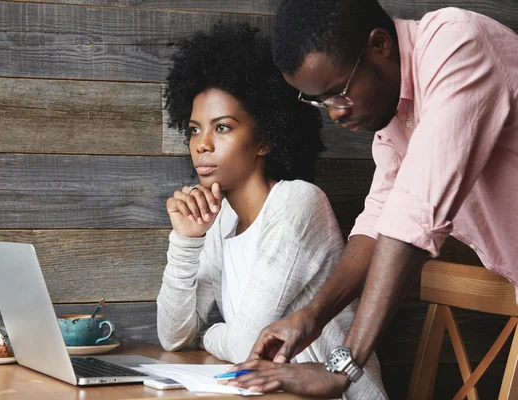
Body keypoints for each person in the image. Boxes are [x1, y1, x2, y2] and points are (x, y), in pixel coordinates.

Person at [224, 0, 518, 397]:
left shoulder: (458, 46)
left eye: (338, 93)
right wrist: (311, 316)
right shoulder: (397, 111)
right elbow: (380, 217)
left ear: (379, 45)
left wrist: (342, 365)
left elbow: (416, 214)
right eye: (320, 101)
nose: (335, 114)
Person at [156, 22, 388, 399]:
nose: (202, 145)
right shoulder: (221, 220)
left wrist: (208, 334)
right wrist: (186, 239)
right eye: (195, 130)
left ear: (264, 139)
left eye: (223, 128)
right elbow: (173, 336)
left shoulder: (298, 203)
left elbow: (250, 343)